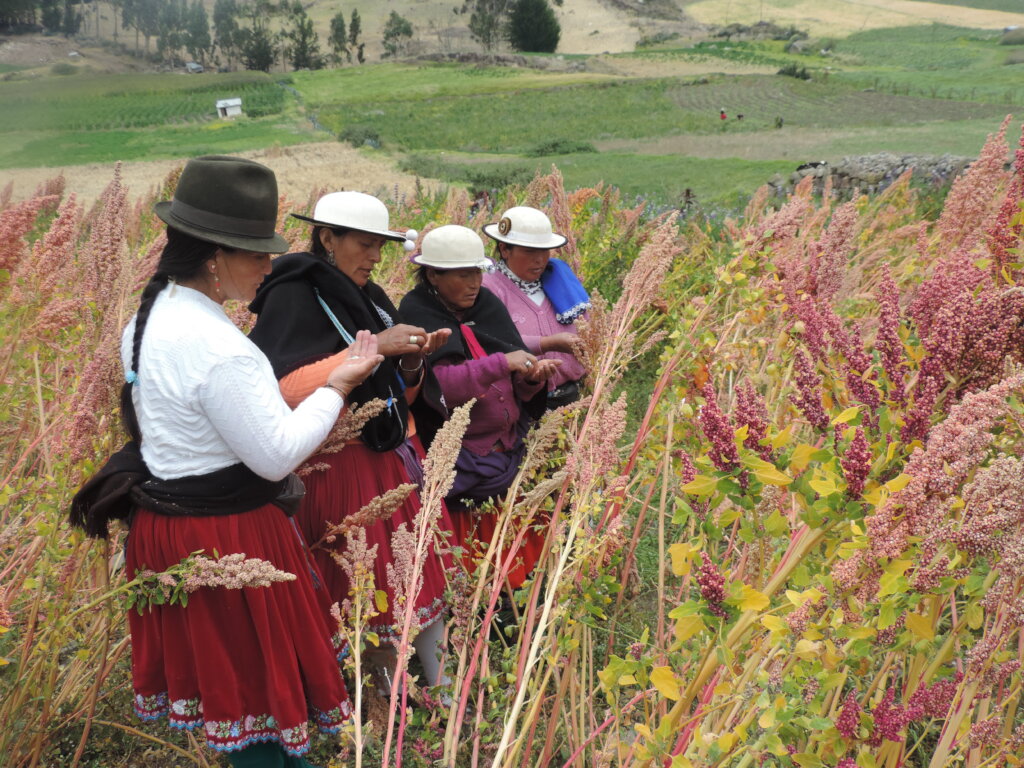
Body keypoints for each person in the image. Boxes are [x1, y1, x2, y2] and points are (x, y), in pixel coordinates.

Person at [70, 156, 383, 767]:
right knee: (255, 701)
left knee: (238, 701)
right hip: (228, 539)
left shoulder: (148, 317)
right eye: (257, 253)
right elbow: (276, 456)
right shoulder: (219, 348)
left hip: (166, 530)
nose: (270, 267)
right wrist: (338, 384)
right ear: (214, 255)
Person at [247, 191, 453, 692]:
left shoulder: (370, 297)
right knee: (369, 588)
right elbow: (284, 388)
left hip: (393, 459)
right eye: (365, 245)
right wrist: (374, 350)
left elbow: (396, 395)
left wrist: (409, 362)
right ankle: (388, 702)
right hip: (345, 470)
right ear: (327, 238)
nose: (375, 257)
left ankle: (445, 691)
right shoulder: (293, 295)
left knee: (417, 575)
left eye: (380, 247)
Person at [399, 225, 560, 590]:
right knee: (473, 566)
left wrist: (532, 379)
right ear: (433, 274)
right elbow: (439, 387)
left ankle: (506, 612)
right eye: (463, 274)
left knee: (511, 563)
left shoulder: (487, 306)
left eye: (477, 272)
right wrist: (502, 363)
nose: (475, 282)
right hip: (464, 464)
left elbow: (514, 383)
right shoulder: (416, 313)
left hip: (506, 453)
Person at [482, 206, 588, 410]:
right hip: (522, 404)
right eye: (529, 252)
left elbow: (588, 327)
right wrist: (548, 343)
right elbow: (491, 341)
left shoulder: (560, 280)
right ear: (505, 249)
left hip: (572, 399)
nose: (539, 260)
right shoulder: (489, 288)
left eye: (544, 251)